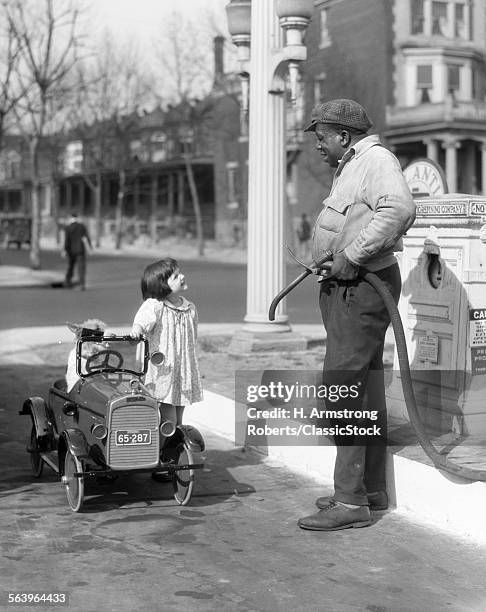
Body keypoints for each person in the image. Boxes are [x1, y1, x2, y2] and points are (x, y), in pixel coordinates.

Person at [297, 99, 416, 531]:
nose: (317, 146)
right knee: (363, 389)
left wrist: (351, 254)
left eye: (321, 137)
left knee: (342, 390)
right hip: (349, 289)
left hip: (363, 289)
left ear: (343, 136)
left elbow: (399, 209)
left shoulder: (375, 160)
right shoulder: (352, 164)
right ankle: (368, 489)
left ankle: (350, 502)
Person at [130, 258, 203, 447]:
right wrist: (137, 329)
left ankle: (174, 448)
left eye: (180, 273)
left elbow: (192, 335)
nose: (182, 276)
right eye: (176, 276)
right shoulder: (155, 306)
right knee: (168, 416)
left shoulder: (190, 308)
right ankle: (162, 452)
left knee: (179, 414)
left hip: (182, 367)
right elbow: (142, 320)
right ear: (162, 285)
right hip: (164, 368)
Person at [65, 319, 106, 392]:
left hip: (93, 384)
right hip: (79, 387)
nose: (98, 340)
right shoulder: (79, 351)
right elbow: (85, 356)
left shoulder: (96, 349)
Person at [63, 212, 92, 290]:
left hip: (71, 251)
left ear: (70, 218)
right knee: (81, 268)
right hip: (80, 250)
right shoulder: (81, 226)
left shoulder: (68, 227)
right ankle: (82, 284)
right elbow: (86, 237)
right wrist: (89, 248)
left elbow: (67, 240)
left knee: (70, 266)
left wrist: (65, 250)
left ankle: (67, 281)